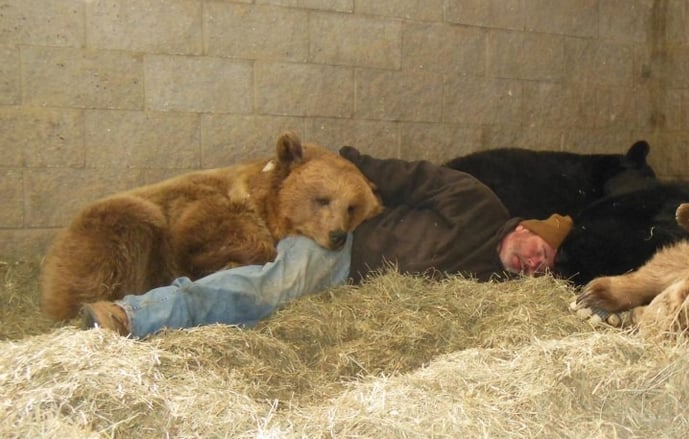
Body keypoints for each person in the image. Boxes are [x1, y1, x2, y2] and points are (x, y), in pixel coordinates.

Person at [80, 146, 574, 339]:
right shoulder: (477, 202)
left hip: (360, 299)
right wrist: (347, 163)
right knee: (263, 291)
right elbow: (406, 177)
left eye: (543, 267)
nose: (536, 264)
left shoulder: (492, 278)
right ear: (526, 229)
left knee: (267, 316)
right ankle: (131, 315)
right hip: (339, 253)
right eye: (540, 251)